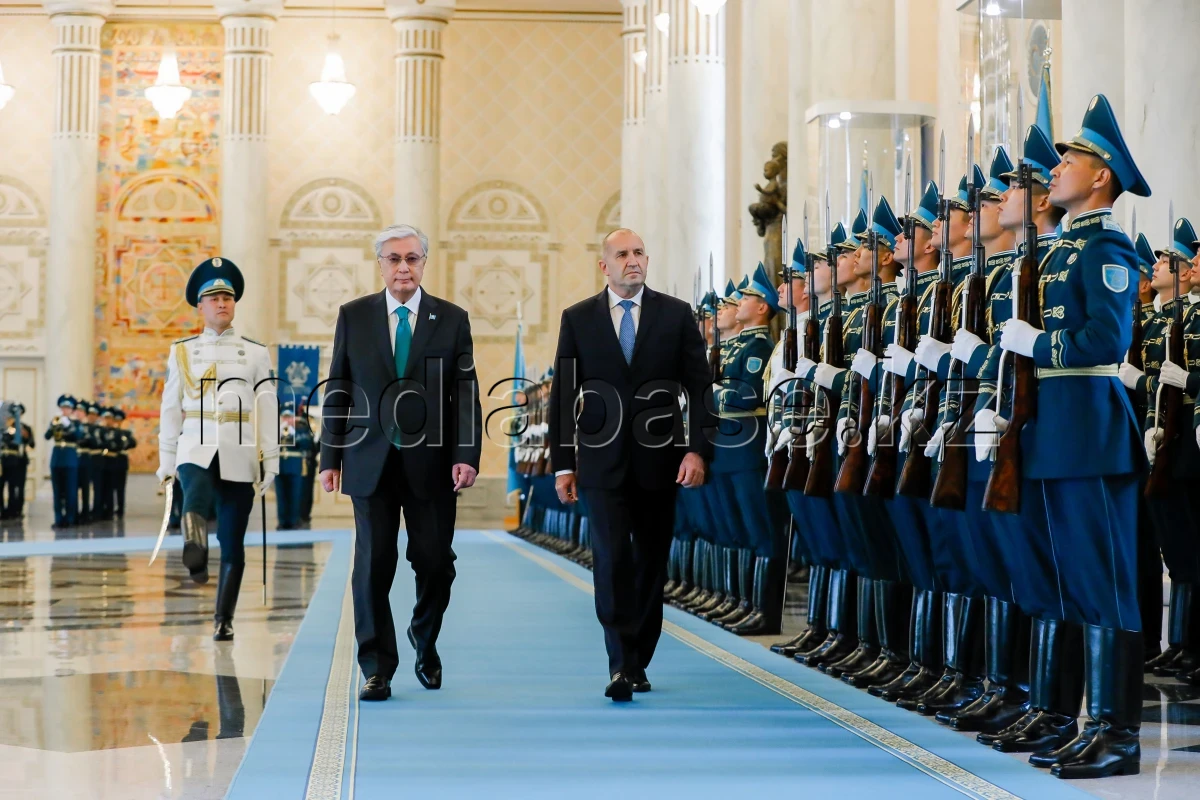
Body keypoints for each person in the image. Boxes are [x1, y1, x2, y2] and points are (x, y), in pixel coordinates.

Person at [995, 94, 1149, 779]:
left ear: (1101, 177)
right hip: (1051, 432)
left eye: (1071, 160)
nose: (1056, 170)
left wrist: (1035, 343)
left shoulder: (1108, 247)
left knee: (1104, 584)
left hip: (1089, 427)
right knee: (1065, 582)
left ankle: (1117, 732)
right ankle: (1073, 718)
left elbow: (1103, 339)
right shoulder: (1061, 252)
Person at [319, 224, 482, 702]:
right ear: (381, 265)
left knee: (434, 562)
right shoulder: (355, 316)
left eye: (412, 258)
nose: (403, 267)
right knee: (372, 566)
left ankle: (424, 637)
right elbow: (339, 388)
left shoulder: (451, 319)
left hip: (432, 466)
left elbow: (465, 393)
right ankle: (377, 667)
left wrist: (466, 455)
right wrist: (330, 456)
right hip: (369, 461)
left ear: (424, 263)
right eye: (394, 259)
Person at [549, 227, 713, 701]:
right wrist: (564, 465)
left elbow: (700, 389)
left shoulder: (675, 315)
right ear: (605, 266)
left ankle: (640, 656)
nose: (632, 260)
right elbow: (564, 396)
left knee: (649, 564)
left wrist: (697, 450)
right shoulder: (578, 319)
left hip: (661, 462)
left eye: (639, 252)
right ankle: (620, 663)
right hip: (600, 464)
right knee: (611, 560)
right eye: (622, 254)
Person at [157, 257, 279, 641]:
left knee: (233, 539)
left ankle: (223, 617)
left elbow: (268, 406)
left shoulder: (256, 353)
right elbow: (170, 408)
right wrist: (166, 461)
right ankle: (195, 550)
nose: (221, 303)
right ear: (200, 306)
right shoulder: (182, 351)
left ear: (234, 303)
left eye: (227, 297)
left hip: (240, 452)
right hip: (195, 445)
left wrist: (271, 459)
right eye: (213, 298)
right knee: (195, 490)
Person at [45, 395, 81, 529]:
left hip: (70, 459)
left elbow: (78, 436)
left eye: (68, 408)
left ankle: (70, 518)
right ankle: (58, 518)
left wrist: (68, 424)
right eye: (63, 407)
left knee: (70, 491)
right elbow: (47, 436)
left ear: (72, 410)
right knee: (57, 491)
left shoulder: (76, 423)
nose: (65, 410)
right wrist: (53, 425)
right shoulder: (56, 421)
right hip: (57, 459)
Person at [276, 401, 310, 530]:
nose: (286, 419)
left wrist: (294, 431)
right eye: (284, 416)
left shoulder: (301, 429)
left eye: (289, 416)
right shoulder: (276, 430)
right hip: (281, 465)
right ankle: (282, 520)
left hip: (295, 465)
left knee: (296, 494)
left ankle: (294, 520)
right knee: (281, 495)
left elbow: (307, 444)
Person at [1, 404, 33, 520]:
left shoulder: (25, 427)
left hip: (18, 461)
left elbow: (31, 443)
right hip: (3, 459)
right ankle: (2, 511)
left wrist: (26, 436)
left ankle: (15, 510)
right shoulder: (3, 426)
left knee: (15, 487)